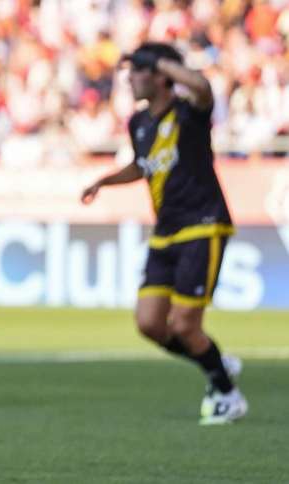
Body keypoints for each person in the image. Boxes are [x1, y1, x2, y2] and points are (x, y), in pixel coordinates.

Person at [81, 42, 247, 425]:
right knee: (150, 324)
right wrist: (104, 181)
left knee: (187, 325)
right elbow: (143, 166)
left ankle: (228, 395)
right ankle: (218, 364)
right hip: (166, 231)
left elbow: (204, 87)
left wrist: (160, 62)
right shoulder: (138, 123)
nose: (129, 80)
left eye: (137, 72)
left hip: (203, 225)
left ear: (160, 75)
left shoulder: (190, 113)